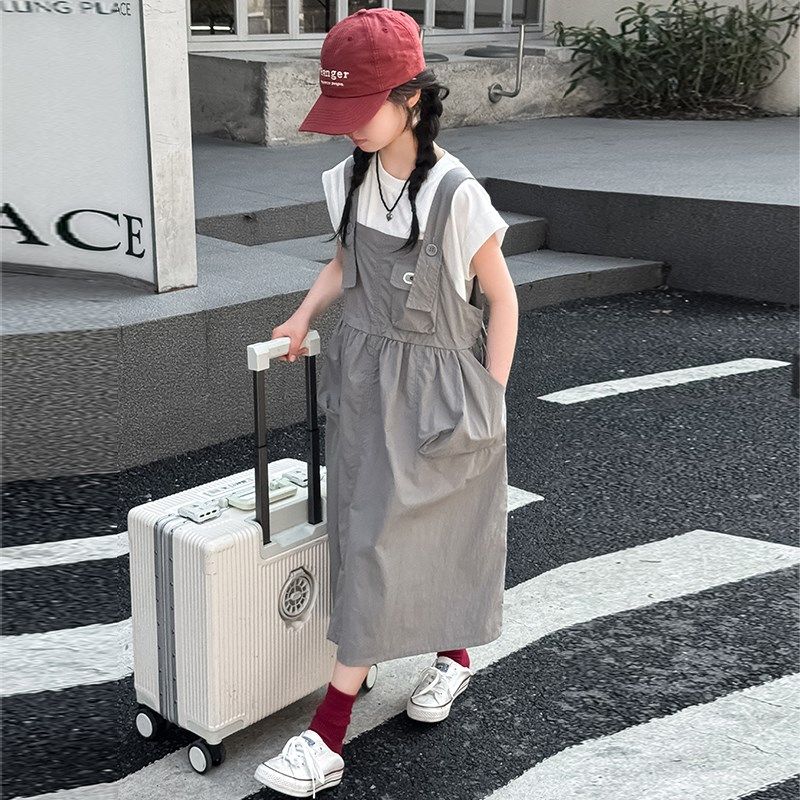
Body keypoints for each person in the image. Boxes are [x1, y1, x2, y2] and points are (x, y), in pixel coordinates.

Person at [253, 7, 519, 797]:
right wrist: (302, 316)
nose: (348, 126)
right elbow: (344, 263)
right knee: (367, 535)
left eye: (359, 107)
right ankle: (449, 655)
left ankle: (329, 733)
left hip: (440, 394)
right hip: (366, 382)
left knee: (407, 539)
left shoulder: (457, 194)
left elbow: (504, 299)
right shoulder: (349, 176)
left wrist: (490, 400)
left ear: (411, 98)